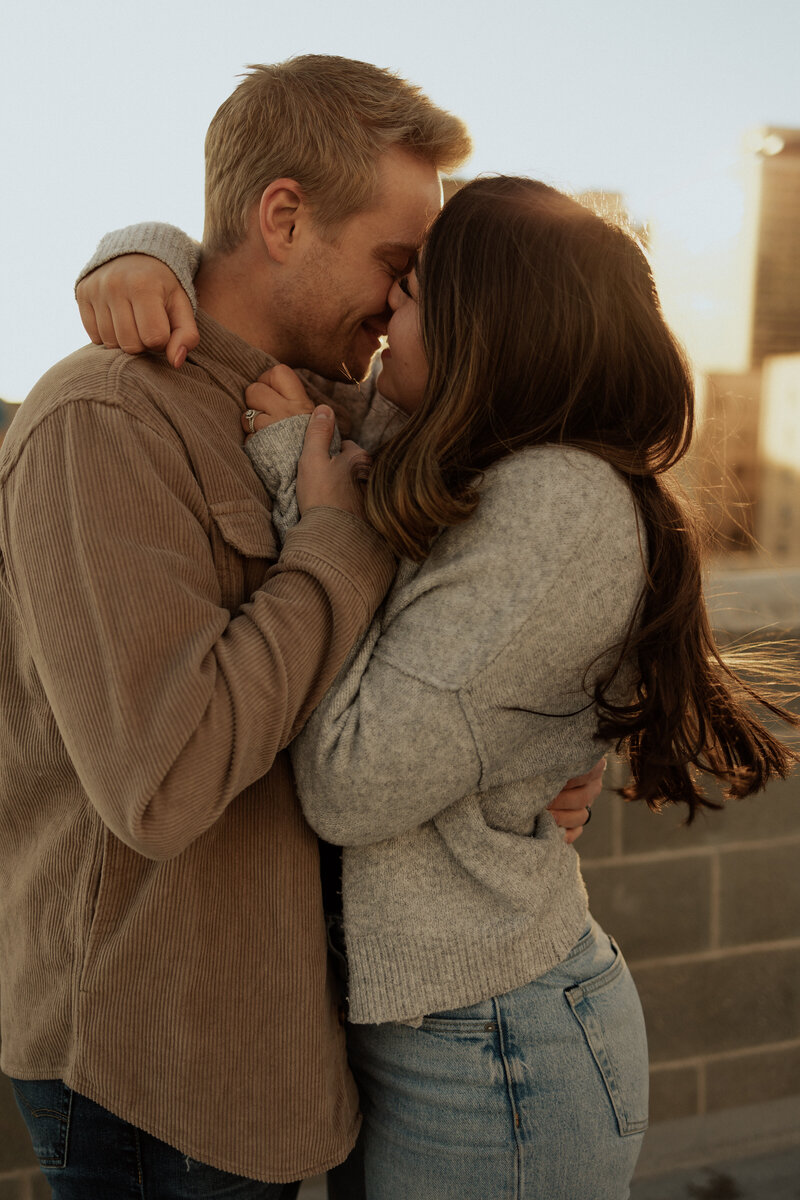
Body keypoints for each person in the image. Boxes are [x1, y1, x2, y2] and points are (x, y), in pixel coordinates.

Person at [77, 176, 800, 1200]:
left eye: (408, 293)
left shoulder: (553, 503)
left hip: (491, 1054)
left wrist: (301, 486)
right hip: (437, 1033)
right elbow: (262, 291)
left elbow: (347, 785)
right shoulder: (453, 449)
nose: (381, 316)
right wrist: (138, 252)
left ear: (481, 321)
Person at [0, 58, 595, 1199]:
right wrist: (333, 544)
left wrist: (548, 762)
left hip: (295, 1061)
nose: (404, 296)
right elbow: (161, 784)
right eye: (394, 261)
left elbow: (473, 629)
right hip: (158, 1071)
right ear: (283, 217)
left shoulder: (336, 412)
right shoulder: (104, 419)